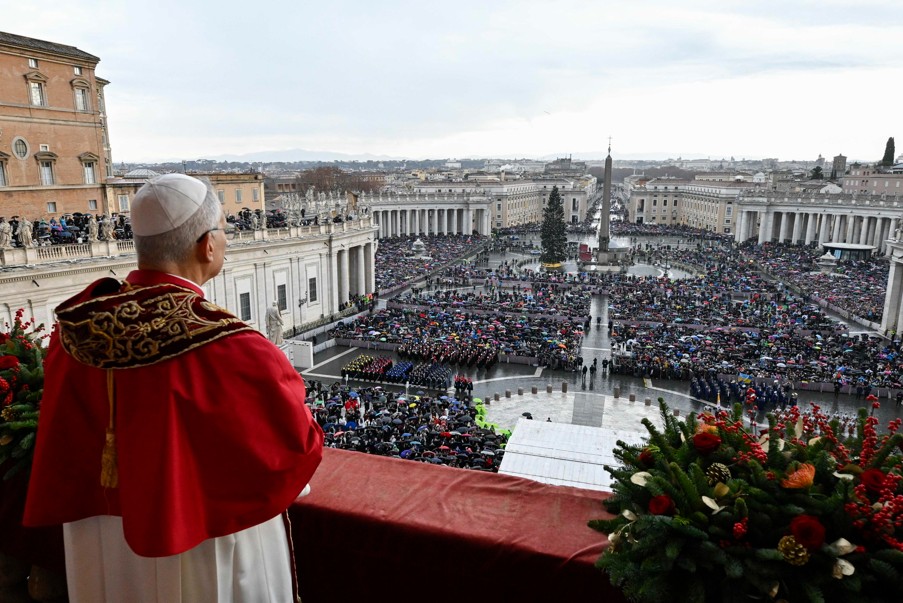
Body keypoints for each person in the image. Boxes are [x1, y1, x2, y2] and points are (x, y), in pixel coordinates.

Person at [24, 173, 324, 602]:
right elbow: (296, 448)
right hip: (203, 538)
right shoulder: (233, 345)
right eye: (223, 230)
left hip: (101, 535)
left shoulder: (76, 330)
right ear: (207, 245)